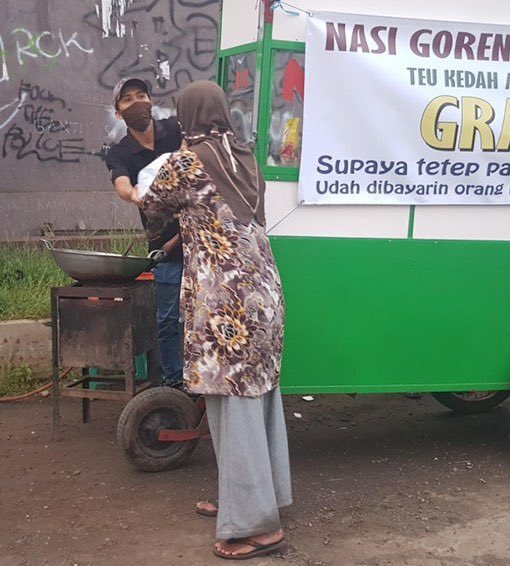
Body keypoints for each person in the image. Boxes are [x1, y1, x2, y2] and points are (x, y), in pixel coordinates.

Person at [136, 80, 291, 560]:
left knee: (233, 405)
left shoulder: (186, 163)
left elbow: (151, 208)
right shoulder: (244, 157)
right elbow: (226, 217)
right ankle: (255, 501)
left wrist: (135, 185)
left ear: (187, 116)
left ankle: (257, 527)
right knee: (257, 399)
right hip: (264, 294)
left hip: (226, 302)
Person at [105, 78, 185, 388]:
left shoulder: (175, 130)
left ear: (151, 101)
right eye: (127, 99)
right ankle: (175, 384)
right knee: (168, 319)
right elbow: (121, 183)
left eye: (141, 95)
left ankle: (204, 380)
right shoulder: (120, 152)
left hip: (203, 242)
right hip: (165, 247)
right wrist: (134, 194)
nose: (137, 103)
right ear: (119, 113)